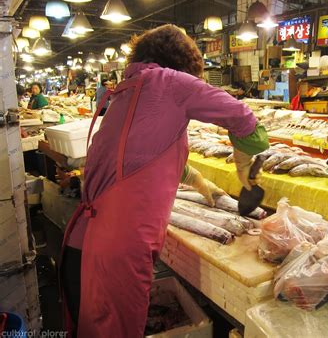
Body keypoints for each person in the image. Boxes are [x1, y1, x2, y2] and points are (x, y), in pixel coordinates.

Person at [60, 24, 269, 338]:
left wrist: (198, 181)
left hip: (83, 242)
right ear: (185, 62)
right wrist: (244, 160)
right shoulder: (169, 82)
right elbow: (244, 118)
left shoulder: (131, 87)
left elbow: (143, 154)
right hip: (118, 250)